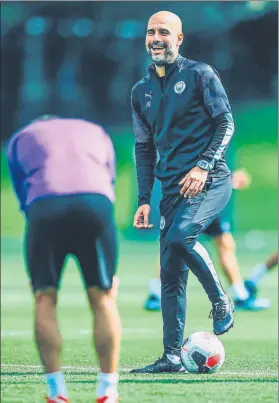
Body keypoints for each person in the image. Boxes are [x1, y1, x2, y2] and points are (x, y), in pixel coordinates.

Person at [131, 11, 235, 374]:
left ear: (179, 39)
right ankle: (172, 356)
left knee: (180, 237)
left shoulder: (200, 74)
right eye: (150, 32)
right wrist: (145, 199)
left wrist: (203, 165)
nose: (156, 38)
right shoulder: (140, 91)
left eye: (164, 32)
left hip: (212, 180)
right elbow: (144, 148)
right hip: (171, 191)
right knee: (170, 275)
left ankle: (221, 300)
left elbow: (226, 123)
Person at [6, 115, 121, 403]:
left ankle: (57, 392)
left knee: (44, 298)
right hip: (95, 203)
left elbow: (22, 190)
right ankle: (108, 390)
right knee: (104, 297)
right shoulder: (96, 129)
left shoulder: (21, 137)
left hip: (46, 206)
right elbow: (109, 177)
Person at [145, 169, 271, 312]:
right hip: (193, 194)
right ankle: (156, 294)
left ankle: (156, 294)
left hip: (197, 194)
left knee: (222, 242)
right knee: (177, 245)